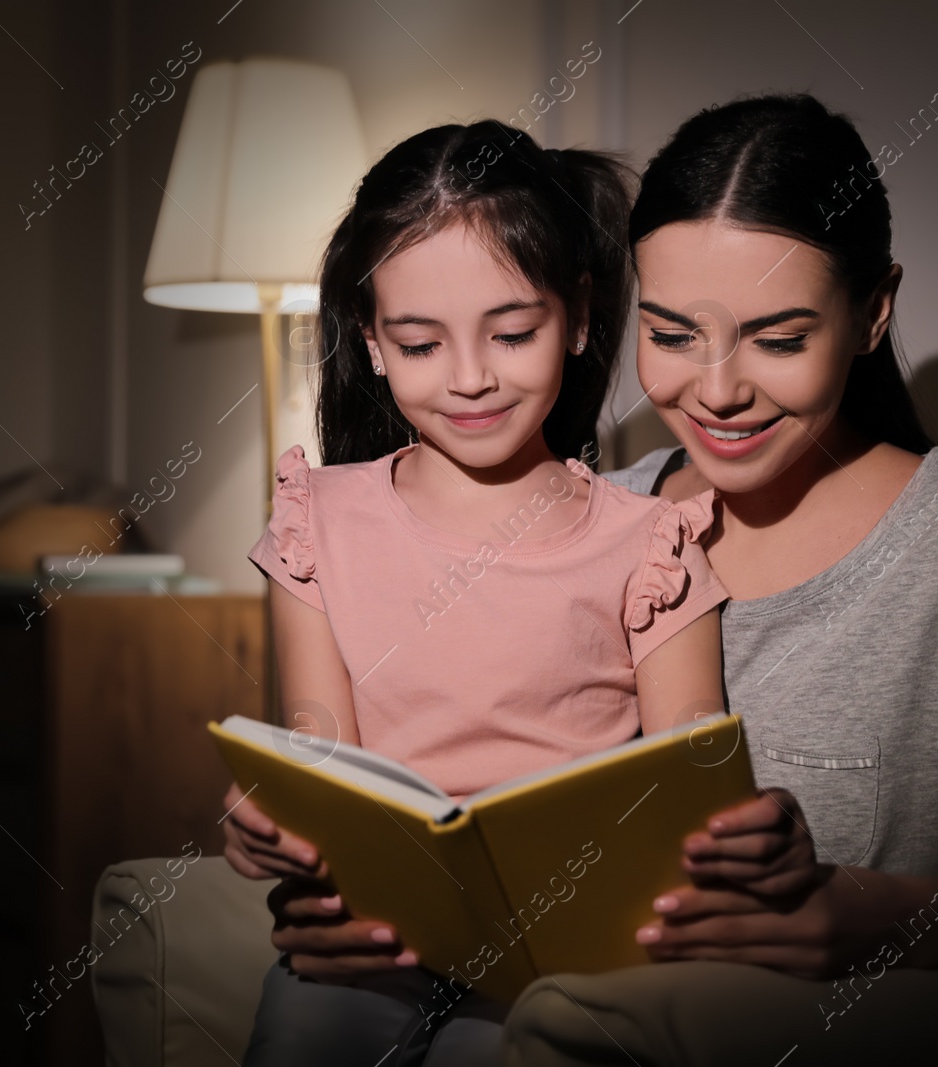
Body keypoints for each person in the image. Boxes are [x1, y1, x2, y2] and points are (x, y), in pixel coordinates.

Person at [234, 95, 938, 1065]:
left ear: (871, 311)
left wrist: (884, 917)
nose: (714, 390)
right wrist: (336, 898)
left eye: (778, 336)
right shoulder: (611, 515)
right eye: (670, 334)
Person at [224, 120, 735, 1067]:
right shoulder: (318, 518)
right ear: (372, 343)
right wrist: (275, 814)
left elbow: (686, 789)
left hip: (560, 947)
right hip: (370, 934)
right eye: (420, 344)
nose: (469, 378)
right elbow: (319, 745)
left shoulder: (648, 540)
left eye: (511, 333)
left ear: (579, 318)